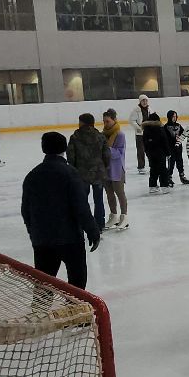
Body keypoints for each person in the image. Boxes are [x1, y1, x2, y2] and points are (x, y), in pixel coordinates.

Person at [22, 131, 100, 288]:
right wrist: (93, 231)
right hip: (69, 239)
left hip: (42, 240)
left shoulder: (32, 175)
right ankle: (75, 311)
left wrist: (34, 232)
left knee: (43, 287)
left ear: (44, 148)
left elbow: (26, 210)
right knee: (77, 285)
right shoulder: (70, 173)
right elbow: (81, 207)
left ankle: (40, 311)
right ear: (64, 148)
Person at [69, 113, 109, 231]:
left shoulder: (75, 137)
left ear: (83, 123)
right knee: (99, 200)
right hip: (98, 173)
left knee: (82, 201)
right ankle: (100, 225)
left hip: (81, 175)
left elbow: (70, 156)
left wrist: (73, 170)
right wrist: (103, 167)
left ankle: (83, 225)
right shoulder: (100, 136)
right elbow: (107, 155)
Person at [102, 109, 129, 229]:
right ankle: (113, 216)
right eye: (104, 122)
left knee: (120, 193)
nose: (105, 124)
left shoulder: (120, 134)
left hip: (117, 169)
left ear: (114, 120)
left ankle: (124, 217)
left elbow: (119, 153)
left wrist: (106, 150)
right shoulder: (103, 134)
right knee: (109, 193)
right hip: (106, 168)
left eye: (107, 121)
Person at [142, 113, 173, 193]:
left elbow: (144, 143)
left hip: (150, 153)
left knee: (153, 168)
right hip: (160, 152)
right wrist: (168, 152)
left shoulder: (145, 129)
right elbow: (164, 141)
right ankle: (165, 186)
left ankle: (152, 186)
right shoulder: (160, 128)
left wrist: (147, 152)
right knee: (163, 169)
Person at [166, 111, 189, 185]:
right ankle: (169, 177)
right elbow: (165, 138)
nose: (174, 118)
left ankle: (182, 175)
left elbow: (183, 134)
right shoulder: (166, 127)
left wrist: (180, 137)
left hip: (178, 148)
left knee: (180, 162)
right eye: (173, 116)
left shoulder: (178, 125)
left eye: (175, 116)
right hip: (170, 148)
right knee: (171, 163)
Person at [133, 95, 152, 175]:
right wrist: (138, 127)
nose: (144, 102)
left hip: (149, 133)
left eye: (146, 100)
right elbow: (131, 120)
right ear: (140, 101)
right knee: (140, 151)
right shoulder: (136, 110)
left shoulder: (150, 109)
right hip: (140, 134)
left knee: (150, 150)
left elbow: (153, 118)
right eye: (143, 100)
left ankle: (152, 165)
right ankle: (141, 167)